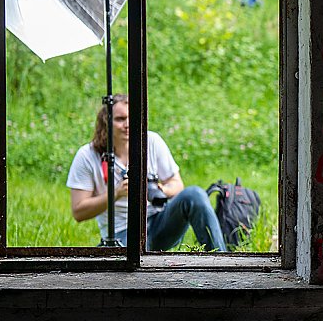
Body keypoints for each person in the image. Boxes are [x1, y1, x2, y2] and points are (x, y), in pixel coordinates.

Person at [67, 94, 227, 252]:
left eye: (132, 118)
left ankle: (220, 260)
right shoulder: (87, 155)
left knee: (195, 194)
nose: (127, 124)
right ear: (106, 121)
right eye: (120, 119)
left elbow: (177, 184)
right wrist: (116, 194)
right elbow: (79, 211)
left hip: (160, 223)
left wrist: (158, 190)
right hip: (122, 234)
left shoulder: (152, 141)